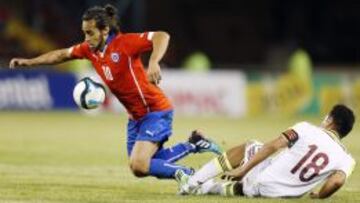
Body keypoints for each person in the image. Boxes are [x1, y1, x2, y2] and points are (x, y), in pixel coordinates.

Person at [9, 4, 222, 179]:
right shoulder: (89, 50)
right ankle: (193, 144)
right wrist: (29, 62)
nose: (86, 38)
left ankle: (191, 176)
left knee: (140, 164)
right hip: (135, 118)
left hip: (155, 110)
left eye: (90, 33)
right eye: (84, 33)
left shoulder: (125, 44)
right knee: (142, 167)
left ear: (104, 31)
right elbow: (61, 55)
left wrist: (155, 62)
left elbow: (161, 36)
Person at [175, 104, 356, 199]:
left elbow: (273, 146)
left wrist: (243, 169)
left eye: (327, 116)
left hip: (265, 183)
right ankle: (204, 188)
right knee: (248, 185)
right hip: (288, 195)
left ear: (330, 120)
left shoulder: (306, 128)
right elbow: (336, 182)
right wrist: (319, 195)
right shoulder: (347, 159)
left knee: (251, 146)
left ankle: (191, 183)